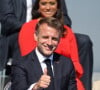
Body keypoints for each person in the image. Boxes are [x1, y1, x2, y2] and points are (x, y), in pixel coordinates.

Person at [0, 0, 93, 90]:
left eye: (52, 3)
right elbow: (7, 19)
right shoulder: (28, 30)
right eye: (44, 4)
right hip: (17, 31)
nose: (48, 7)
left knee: (84, 41)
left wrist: (56, 25)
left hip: (64, 71)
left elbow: (74, 64)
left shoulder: (66, 34)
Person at [11, 17, 77, 90]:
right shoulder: (21, 64)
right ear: (36, 36)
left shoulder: (67, 64)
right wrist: (35, 87)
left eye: (54, 39)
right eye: (45, 37)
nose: (49, 43)